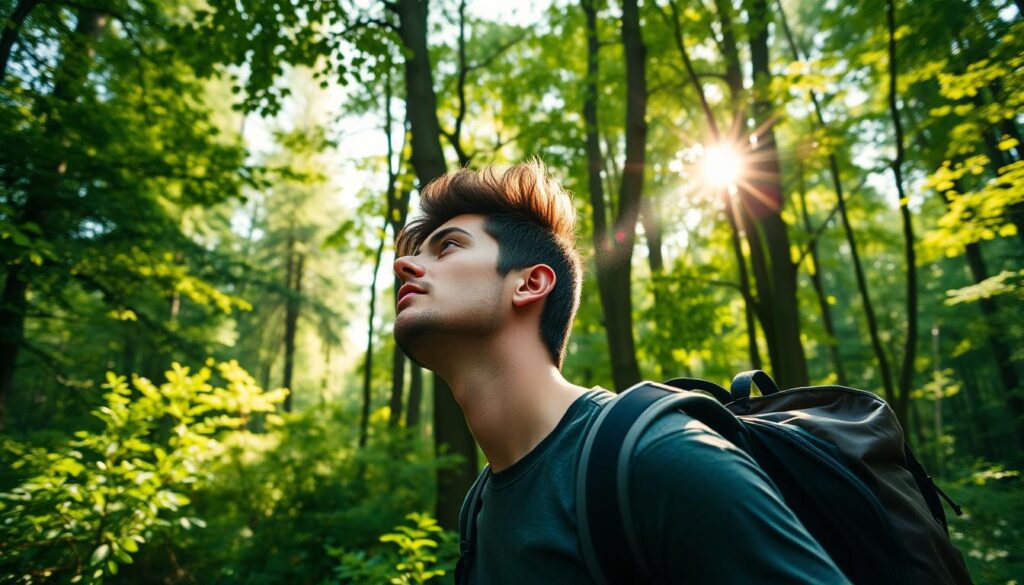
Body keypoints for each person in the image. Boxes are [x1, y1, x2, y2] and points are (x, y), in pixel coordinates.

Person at [392, 161, 850, 584]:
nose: (404, 265)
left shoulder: (659, 459)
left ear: (530, 283)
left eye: (448, 246)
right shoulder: (479, 511)